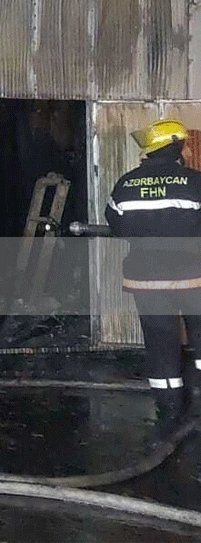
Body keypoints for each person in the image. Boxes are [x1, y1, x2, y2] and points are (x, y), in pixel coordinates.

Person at [105, 119, 201, 429]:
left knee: (160, 344)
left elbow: (116, 225)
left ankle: (169, 412)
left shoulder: (125, 184)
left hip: (145, 278)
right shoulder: (194, 182)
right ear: (177, 148)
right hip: (193, 277)